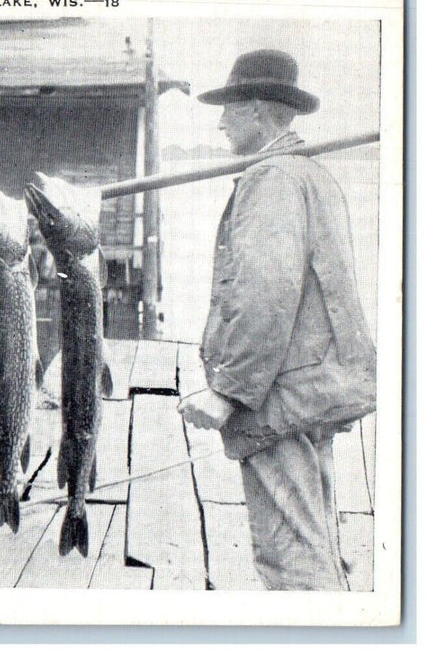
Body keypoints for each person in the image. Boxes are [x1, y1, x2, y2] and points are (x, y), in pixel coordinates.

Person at [178, 49, 376, 590]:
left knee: (292, 562)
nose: (220, 122)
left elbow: (267, 293)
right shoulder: (311, 174)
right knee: (316, 546)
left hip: (279, 402)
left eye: (229, 109)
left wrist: (229, 392)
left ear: (259, 112)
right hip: (308, 392)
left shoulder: (271, 181)